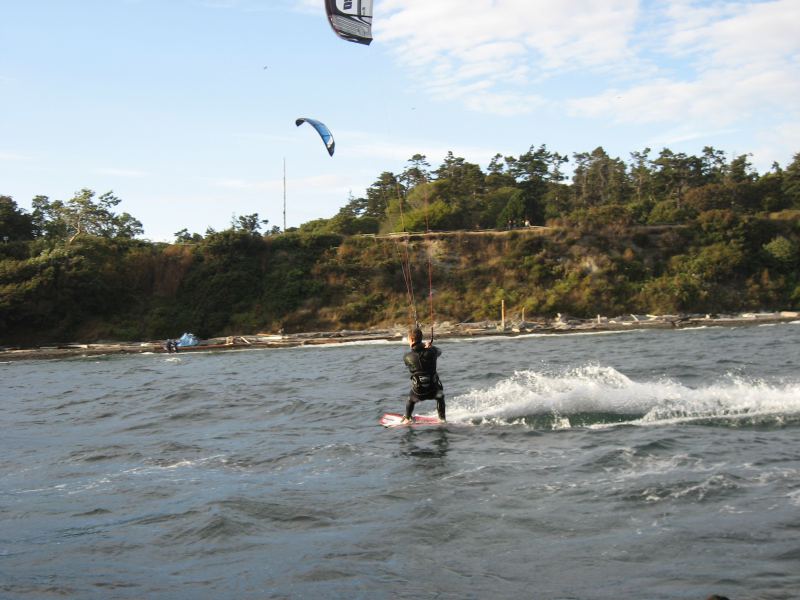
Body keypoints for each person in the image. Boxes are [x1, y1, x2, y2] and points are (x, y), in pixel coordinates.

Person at [402, 328, 445, 424]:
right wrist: (429, 347)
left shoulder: (407, 356)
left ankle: (407, 418)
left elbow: (413, 361)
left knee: (410, 399)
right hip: (434, 390)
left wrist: (422, 348)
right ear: (421, 339)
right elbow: (439, 351)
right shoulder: (432, 352)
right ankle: (442, 419)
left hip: (418, 392)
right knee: (440, 397)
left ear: (412, 340)